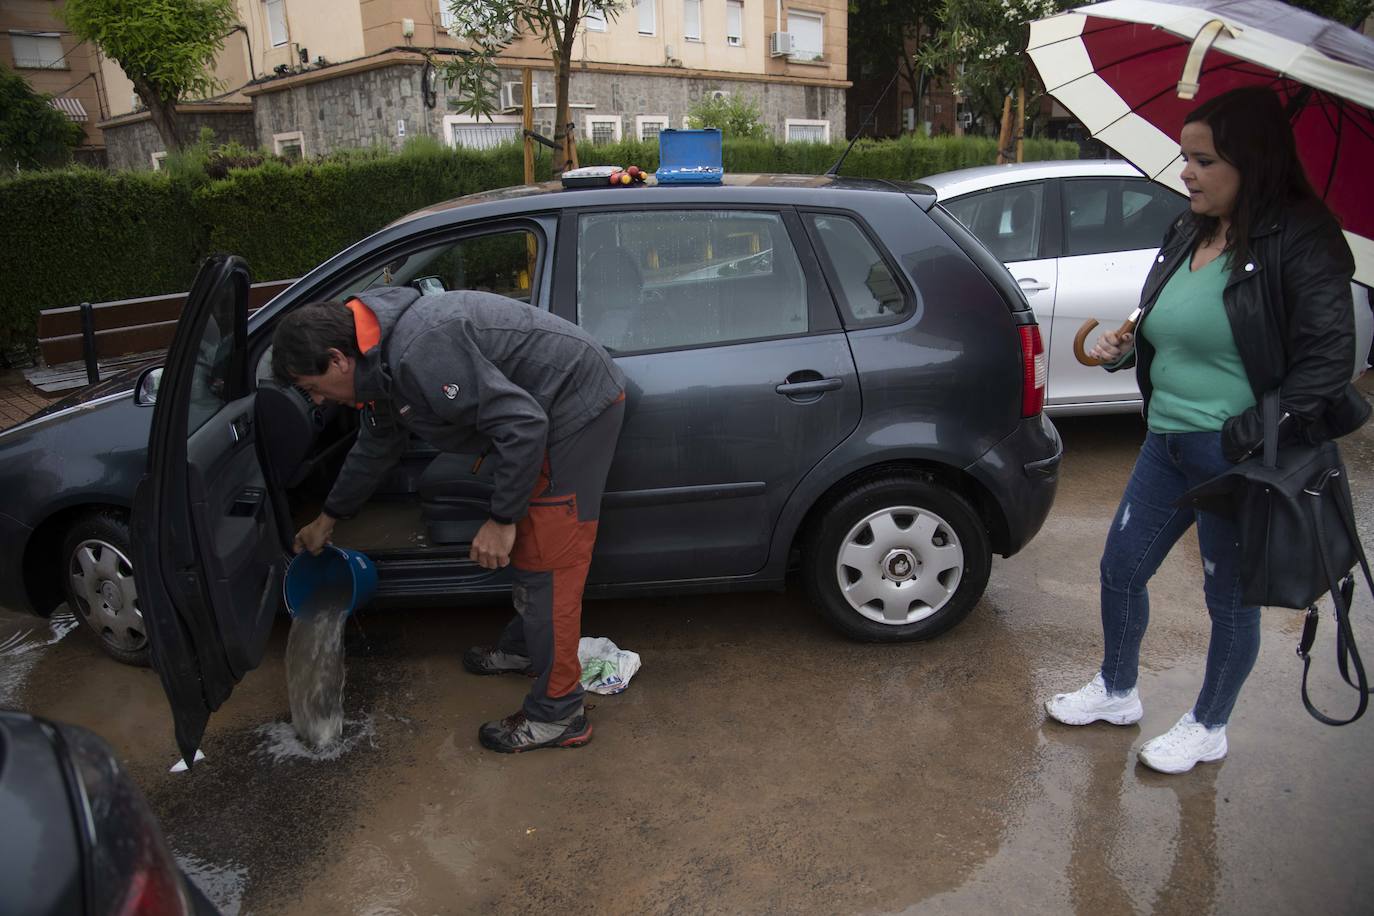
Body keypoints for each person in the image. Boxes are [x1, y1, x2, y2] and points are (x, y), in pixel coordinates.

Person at [1043, 87, 1364, 773]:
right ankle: (1117, 689)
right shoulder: (1191, 227)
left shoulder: (1305, 240)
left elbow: (1328, 366)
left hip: (1237, 457)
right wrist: (1125, 347)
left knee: (1228, 597)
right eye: (1185, 155)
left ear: (1253, 162)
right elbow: (1167, 321)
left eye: (1203, 159)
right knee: (1121, 568)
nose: (1185, 172)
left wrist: (1250, 431)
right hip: (1166, 441)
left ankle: (1209, 723)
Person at [271, 286, 626, 754]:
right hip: (533, 413)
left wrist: (502, 519)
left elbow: (523, 425)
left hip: (573, 405)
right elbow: (377, 444)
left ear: (337, 359)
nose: (317, 401)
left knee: (549, 565)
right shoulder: (377, 361)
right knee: (531, 545)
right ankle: (525, 649)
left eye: (313, 388)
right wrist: (329, 517)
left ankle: (559, 713)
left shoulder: (421, 352)